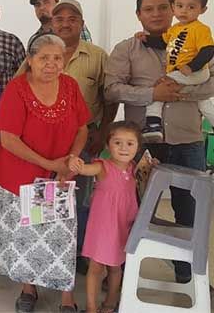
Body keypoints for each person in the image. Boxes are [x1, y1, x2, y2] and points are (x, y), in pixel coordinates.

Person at [105, 0, 214, 283]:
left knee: (189, 212)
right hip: (139, 144)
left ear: (175, 9)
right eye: (148, 9)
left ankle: (189, 277)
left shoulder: (198, 42)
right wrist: (152, 93)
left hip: (187, 141)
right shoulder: (127, 48)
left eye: (162, 7)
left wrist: (176, 93)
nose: (156, 14)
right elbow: (112, 89)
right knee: (130, 210)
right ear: (138, 14)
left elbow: (211, 83)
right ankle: (122, 276)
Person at [0, 33, 89, 313]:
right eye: (44, 57)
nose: (51, 64)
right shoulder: (17, 89)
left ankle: (66, 297)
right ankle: (28, 289)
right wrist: (50, 164)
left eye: (57, 58)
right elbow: (8, 139)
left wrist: (69, 161)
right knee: (28, 238)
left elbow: (82, 128)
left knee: (62, 237)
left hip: (60, 178)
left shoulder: (70, 87)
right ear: (31, 60)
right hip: (22, 179)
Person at [49, 0, 118, 274]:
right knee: (48, 195)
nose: (65, 23)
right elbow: (22, 86)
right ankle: (51, 247)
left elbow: (110, 97)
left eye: (72, 18)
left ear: (82, 22)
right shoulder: (41, 52)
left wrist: (103, 131)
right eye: (59, 19)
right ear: (51, 24)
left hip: (86, 140)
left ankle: (77, 251)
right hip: (47, 142)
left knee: (80, 199)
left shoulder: (98, 55)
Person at [68, 121, 144, 313]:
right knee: (95, 267)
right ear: (108, 145)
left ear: (138, 147)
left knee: (116, 267)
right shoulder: (103, 166)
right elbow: (86, 169)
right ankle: (92, 307)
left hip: (123, 226)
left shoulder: (134, 168)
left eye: (130, 143)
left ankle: (110, 303)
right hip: (102, 227)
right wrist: (77, 164)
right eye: (117, 142)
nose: (123, 148)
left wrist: (152, 168)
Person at [139, 0, 214, 142]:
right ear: (174, 7)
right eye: (180, 6)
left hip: (196, 71)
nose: (184, 11)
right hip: (187, 73)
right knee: (203, 102)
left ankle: (153, 124)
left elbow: (208, 50)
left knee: (160, 87)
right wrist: (146, 40)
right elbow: (162, 43)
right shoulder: (175, 29)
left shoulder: (200, 29)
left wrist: (191, 67)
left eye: (191, 7)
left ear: (203, 10)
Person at [28, 0, 93, 47]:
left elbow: (88, 54)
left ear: (57, 5)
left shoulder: (74, 28)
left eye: (47, 2)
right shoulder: (34, 39)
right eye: (37, 5)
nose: (42, 7)